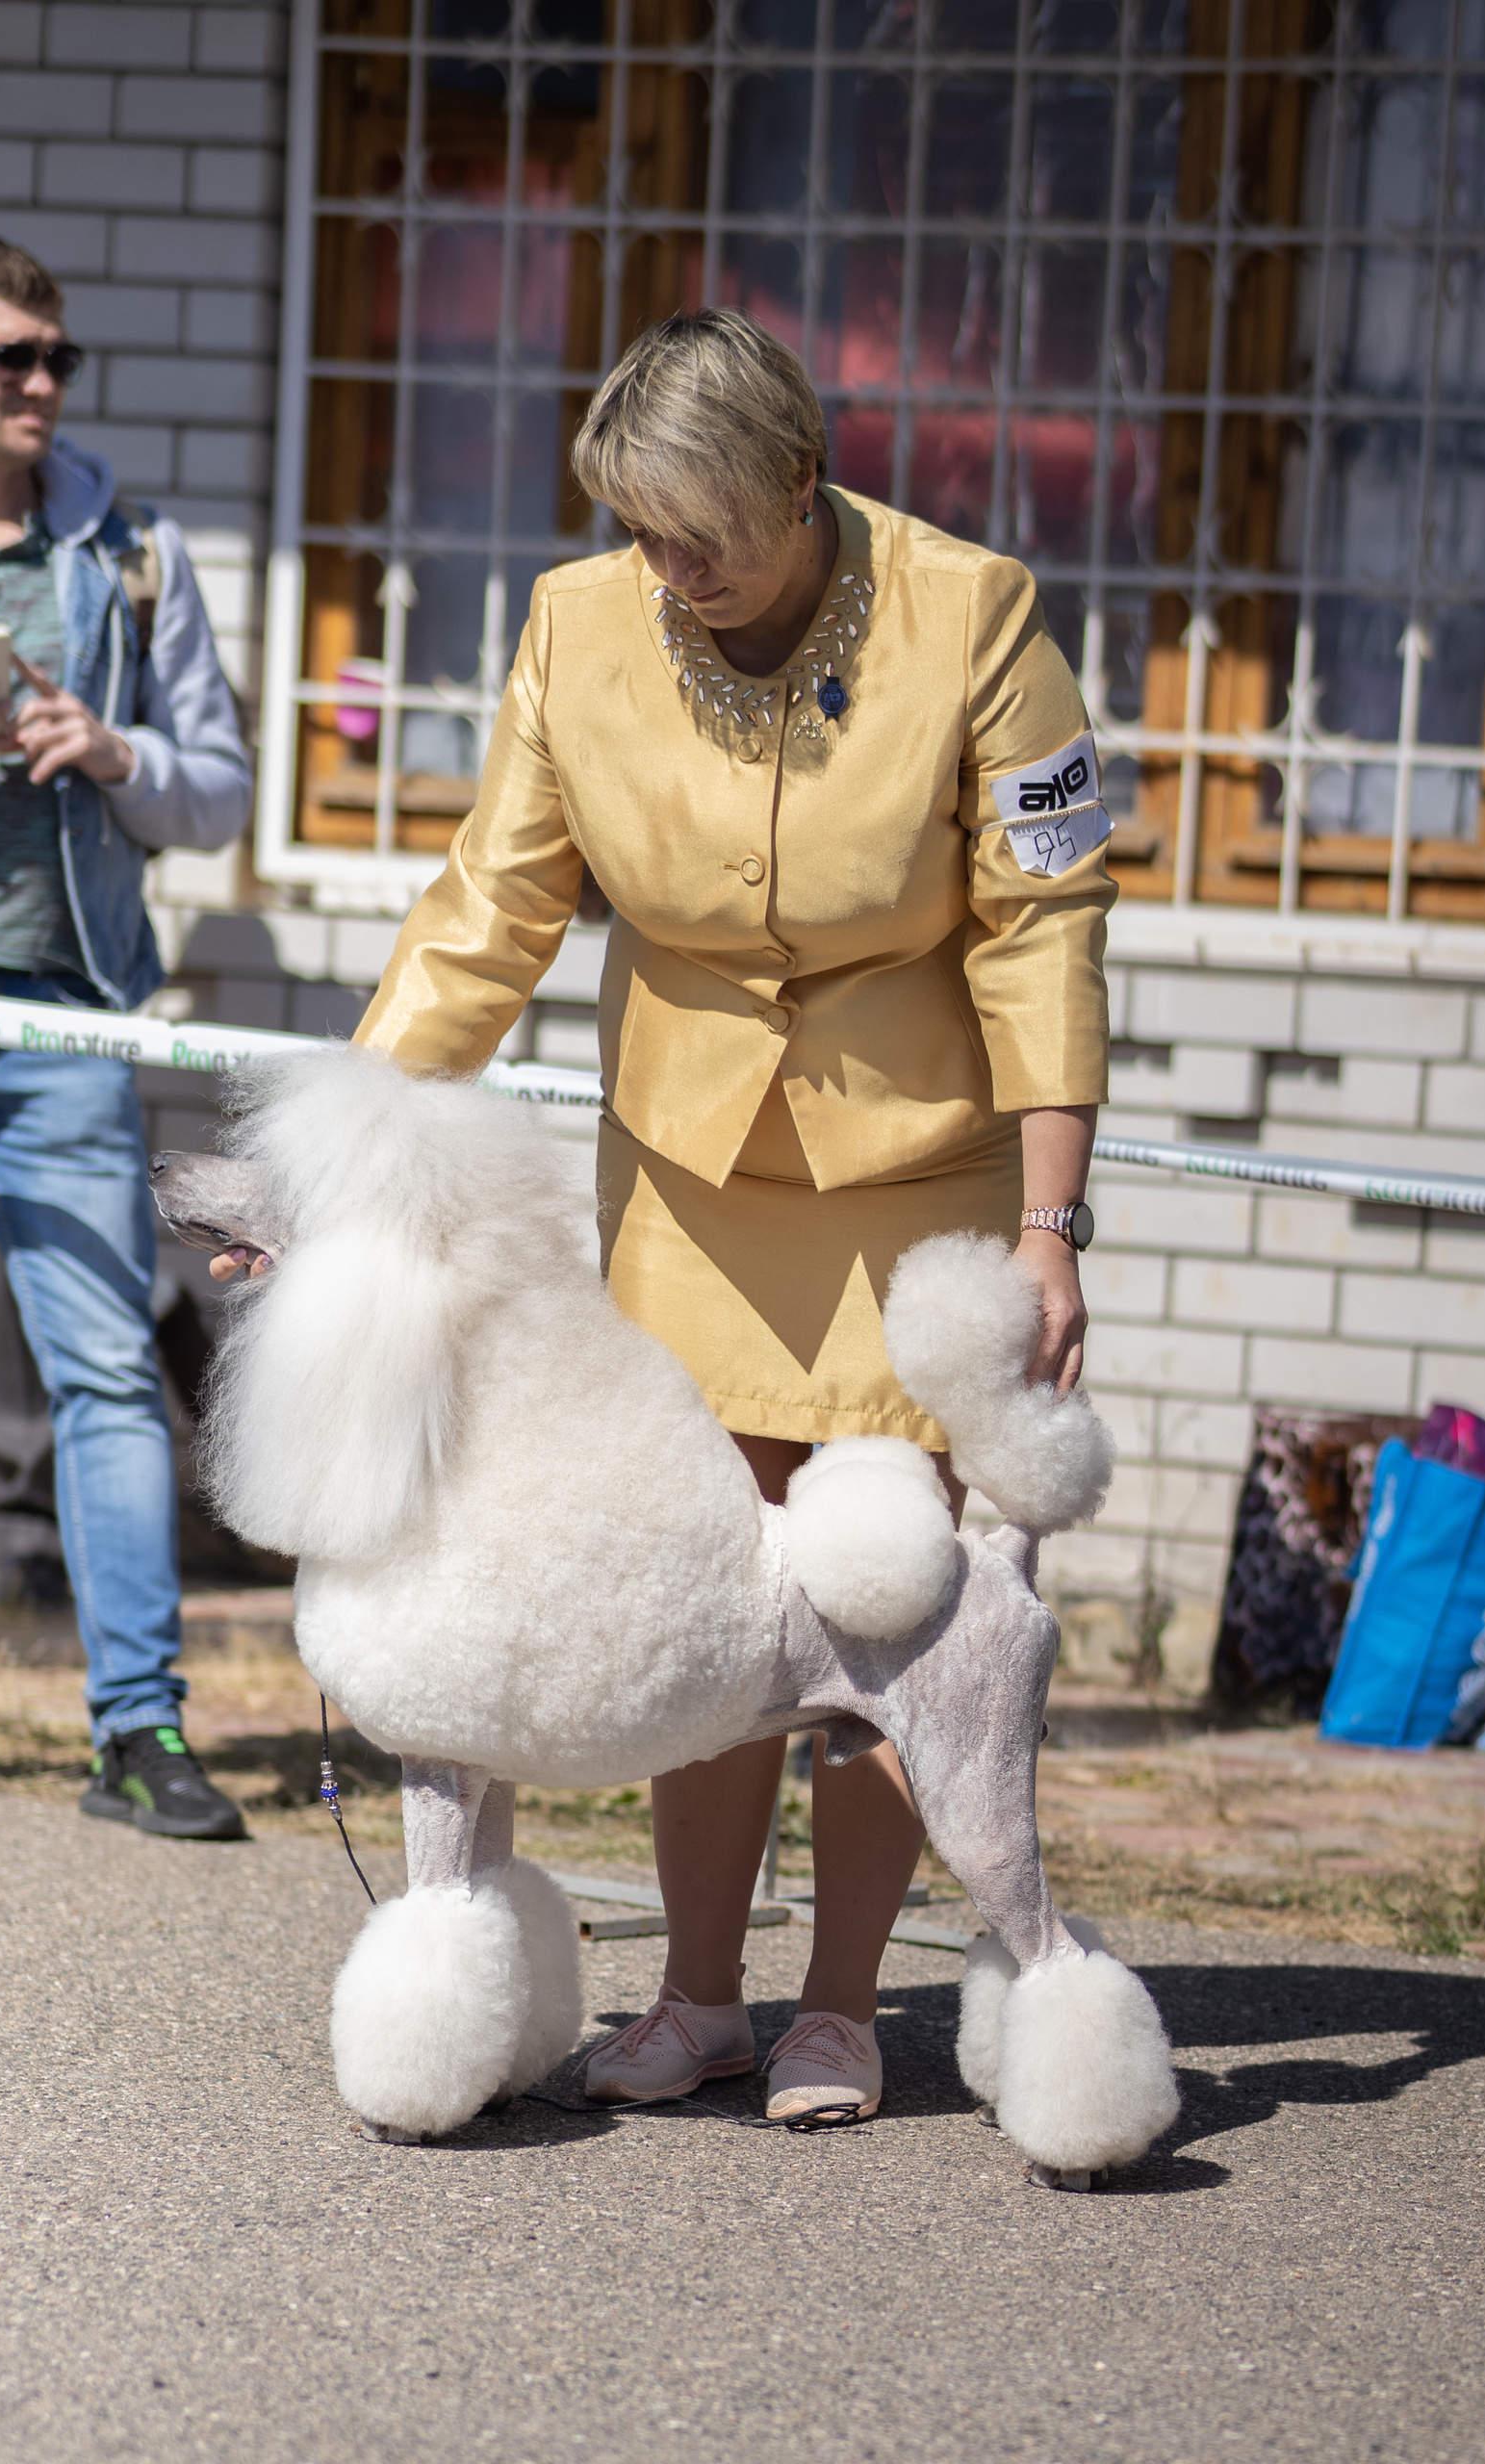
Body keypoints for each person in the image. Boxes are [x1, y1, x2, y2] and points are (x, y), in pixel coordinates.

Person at [332, 309, 1111, 2126]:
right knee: (704, 1593)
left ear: (799, 482)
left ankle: (842, 2007)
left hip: (924, 1191)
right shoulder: (572, 625)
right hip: (681, 1192)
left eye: (701, 536)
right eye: (637, 532)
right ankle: (698, 1996)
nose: (667, 575)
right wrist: (350, 1155)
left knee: (885, 1601)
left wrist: (1054, 1223)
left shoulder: (979, 615)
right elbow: (490, 910)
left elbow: (1046, 924)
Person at [0, 233, 253, 1837]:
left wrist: (117, 750)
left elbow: (223, 786)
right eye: (10, 354)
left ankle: (138, 1734)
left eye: (58, 358)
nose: (43, 385)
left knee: (106, 1381)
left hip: (59, 1014)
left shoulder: (129, 553)